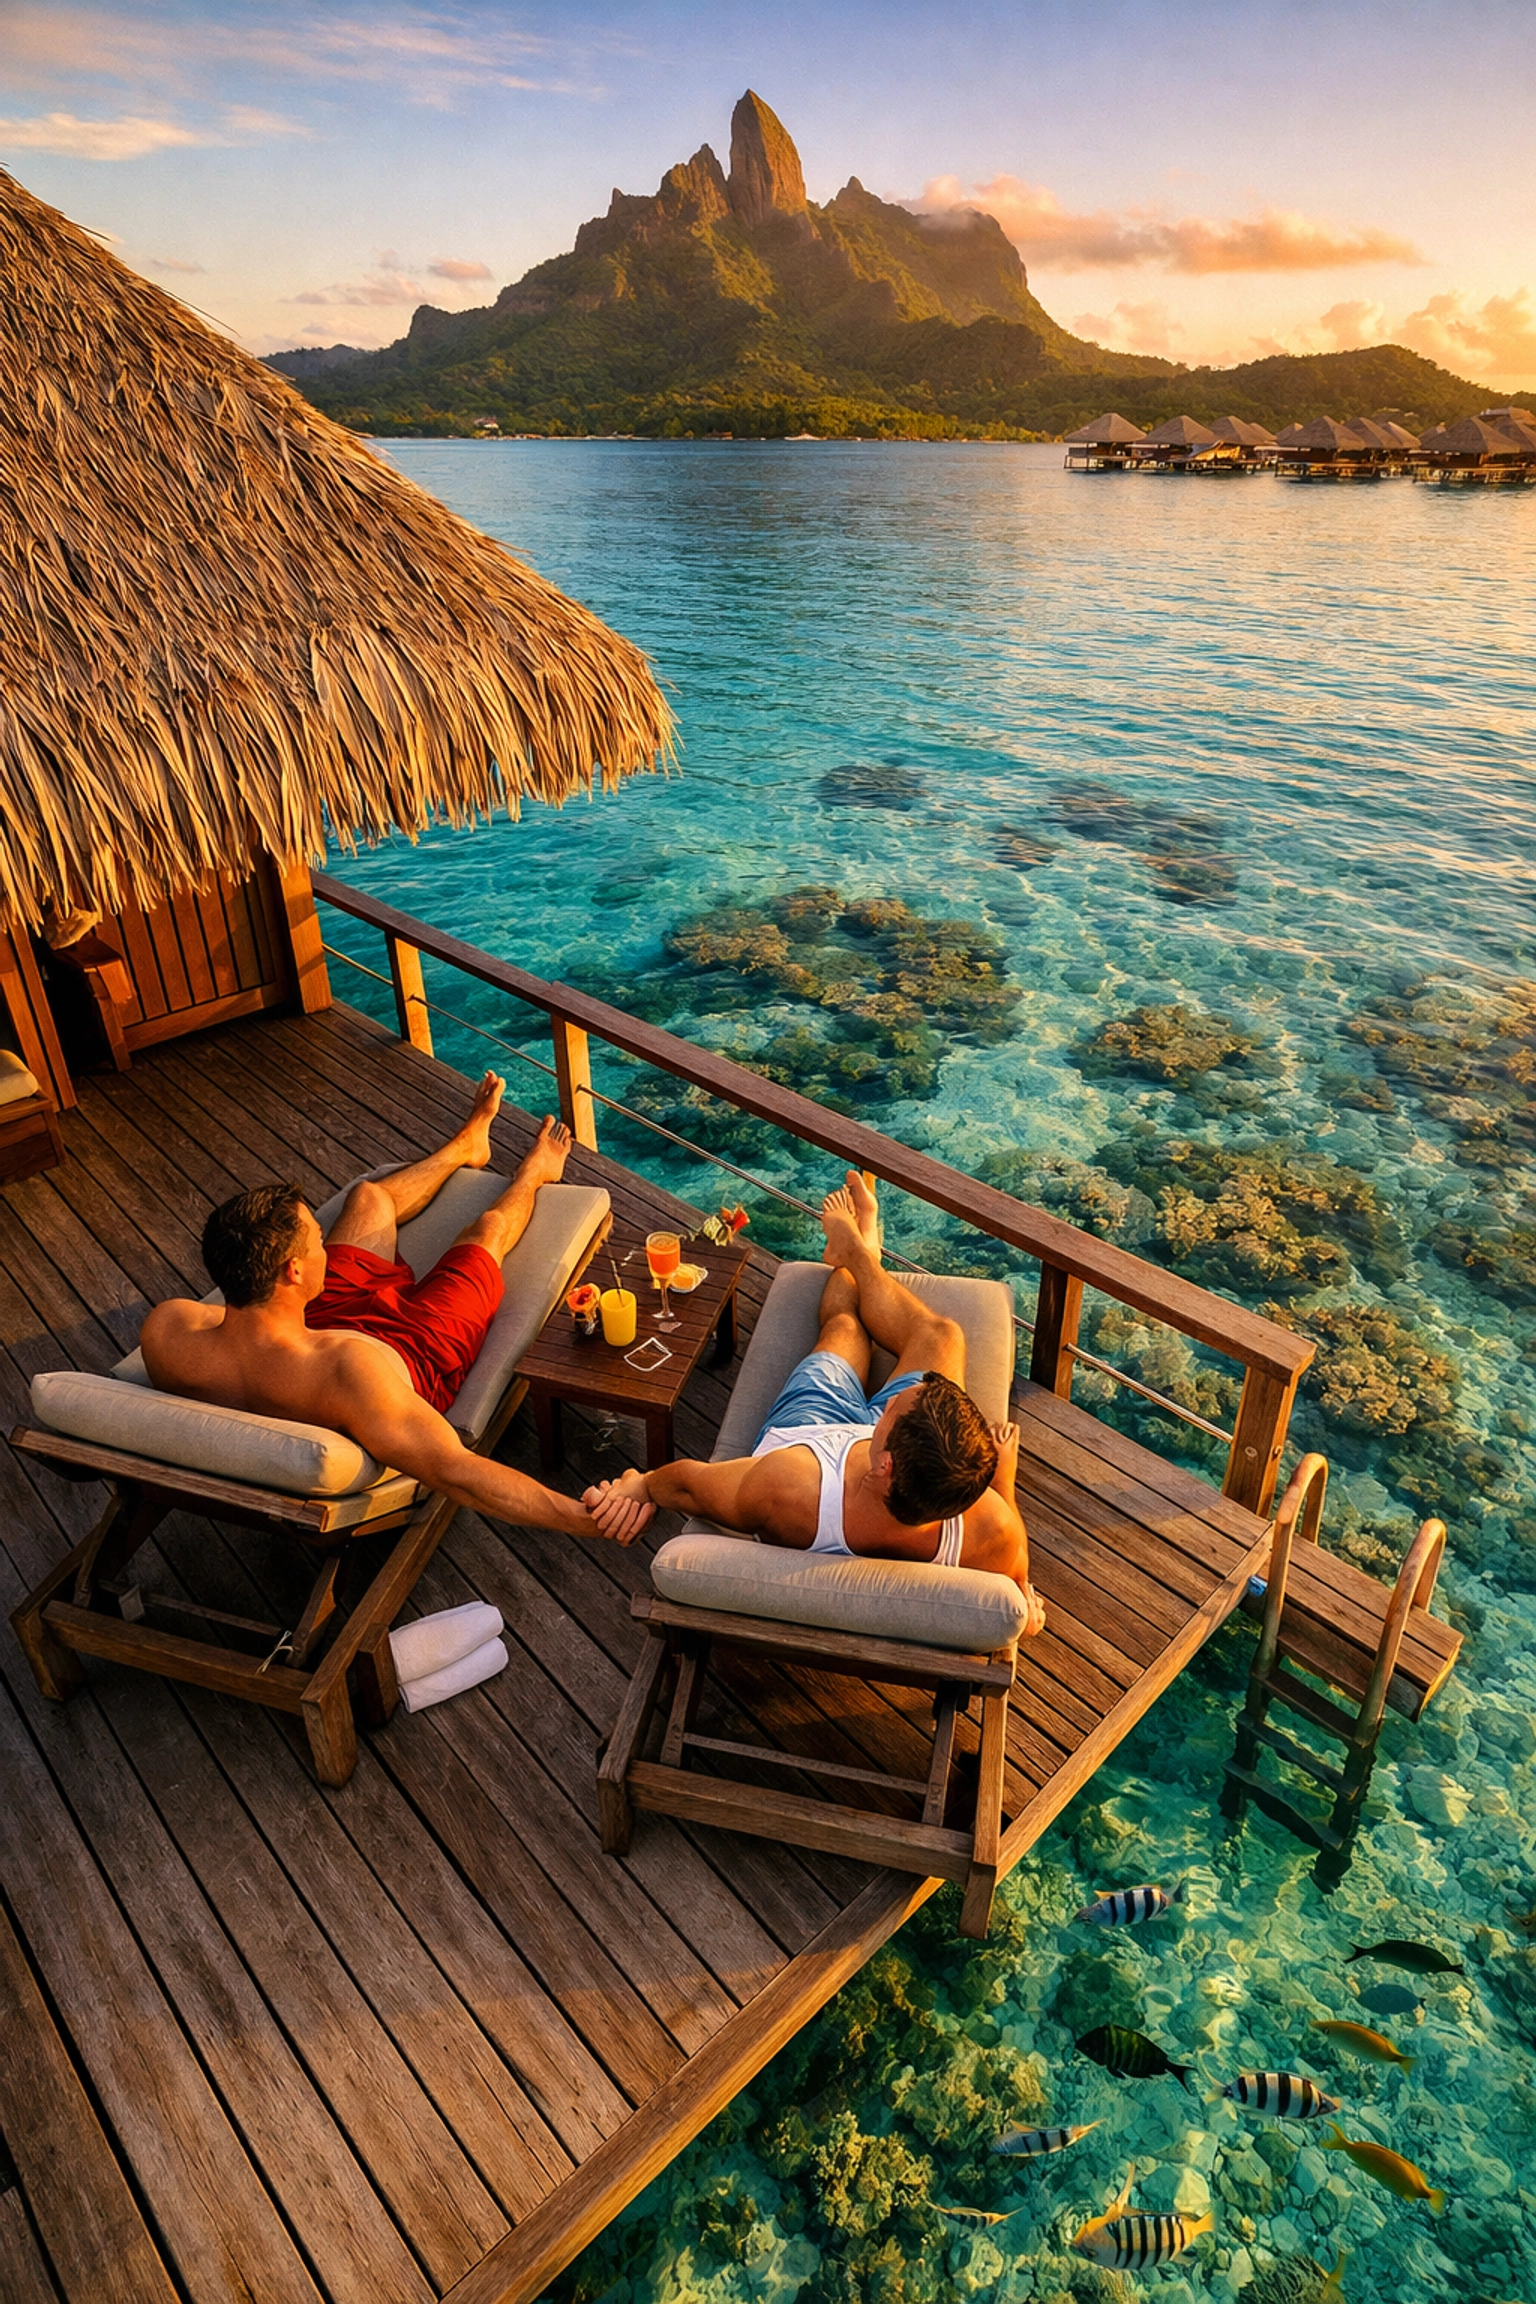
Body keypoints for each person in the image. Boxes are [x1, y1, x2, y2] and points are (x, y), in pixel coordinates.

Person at [140, 1072, 653, 1546]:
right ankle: (536, 1173)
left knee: (368, 1199)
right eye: (317, 1239)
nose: (323, 1242)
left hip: (316, 1320)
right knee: (488, 1231)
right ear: (294, 1271)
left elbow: (253, 1334)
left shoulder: (169, 1333)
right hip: (414, 1349)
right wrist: (585, 1518)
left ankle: (467, 1145)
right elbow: (458, 1472)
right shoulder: (347, 1373)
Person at [585, 1172, 1045, 1627]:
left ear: (884, 1465)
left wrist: (642, 1484)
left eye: (894, 1407)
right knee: (943, 1336)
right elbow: (1018, 1587)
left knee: (845, 1326)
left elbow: (689, 1485)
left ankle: (853, 1254)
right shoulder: (992, 1528)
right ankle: (862, 1253)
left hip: (810, 1435)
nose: (891, 1400)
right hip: (904, 1460)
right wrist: (1003, 1481)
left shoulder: (788, 1488)